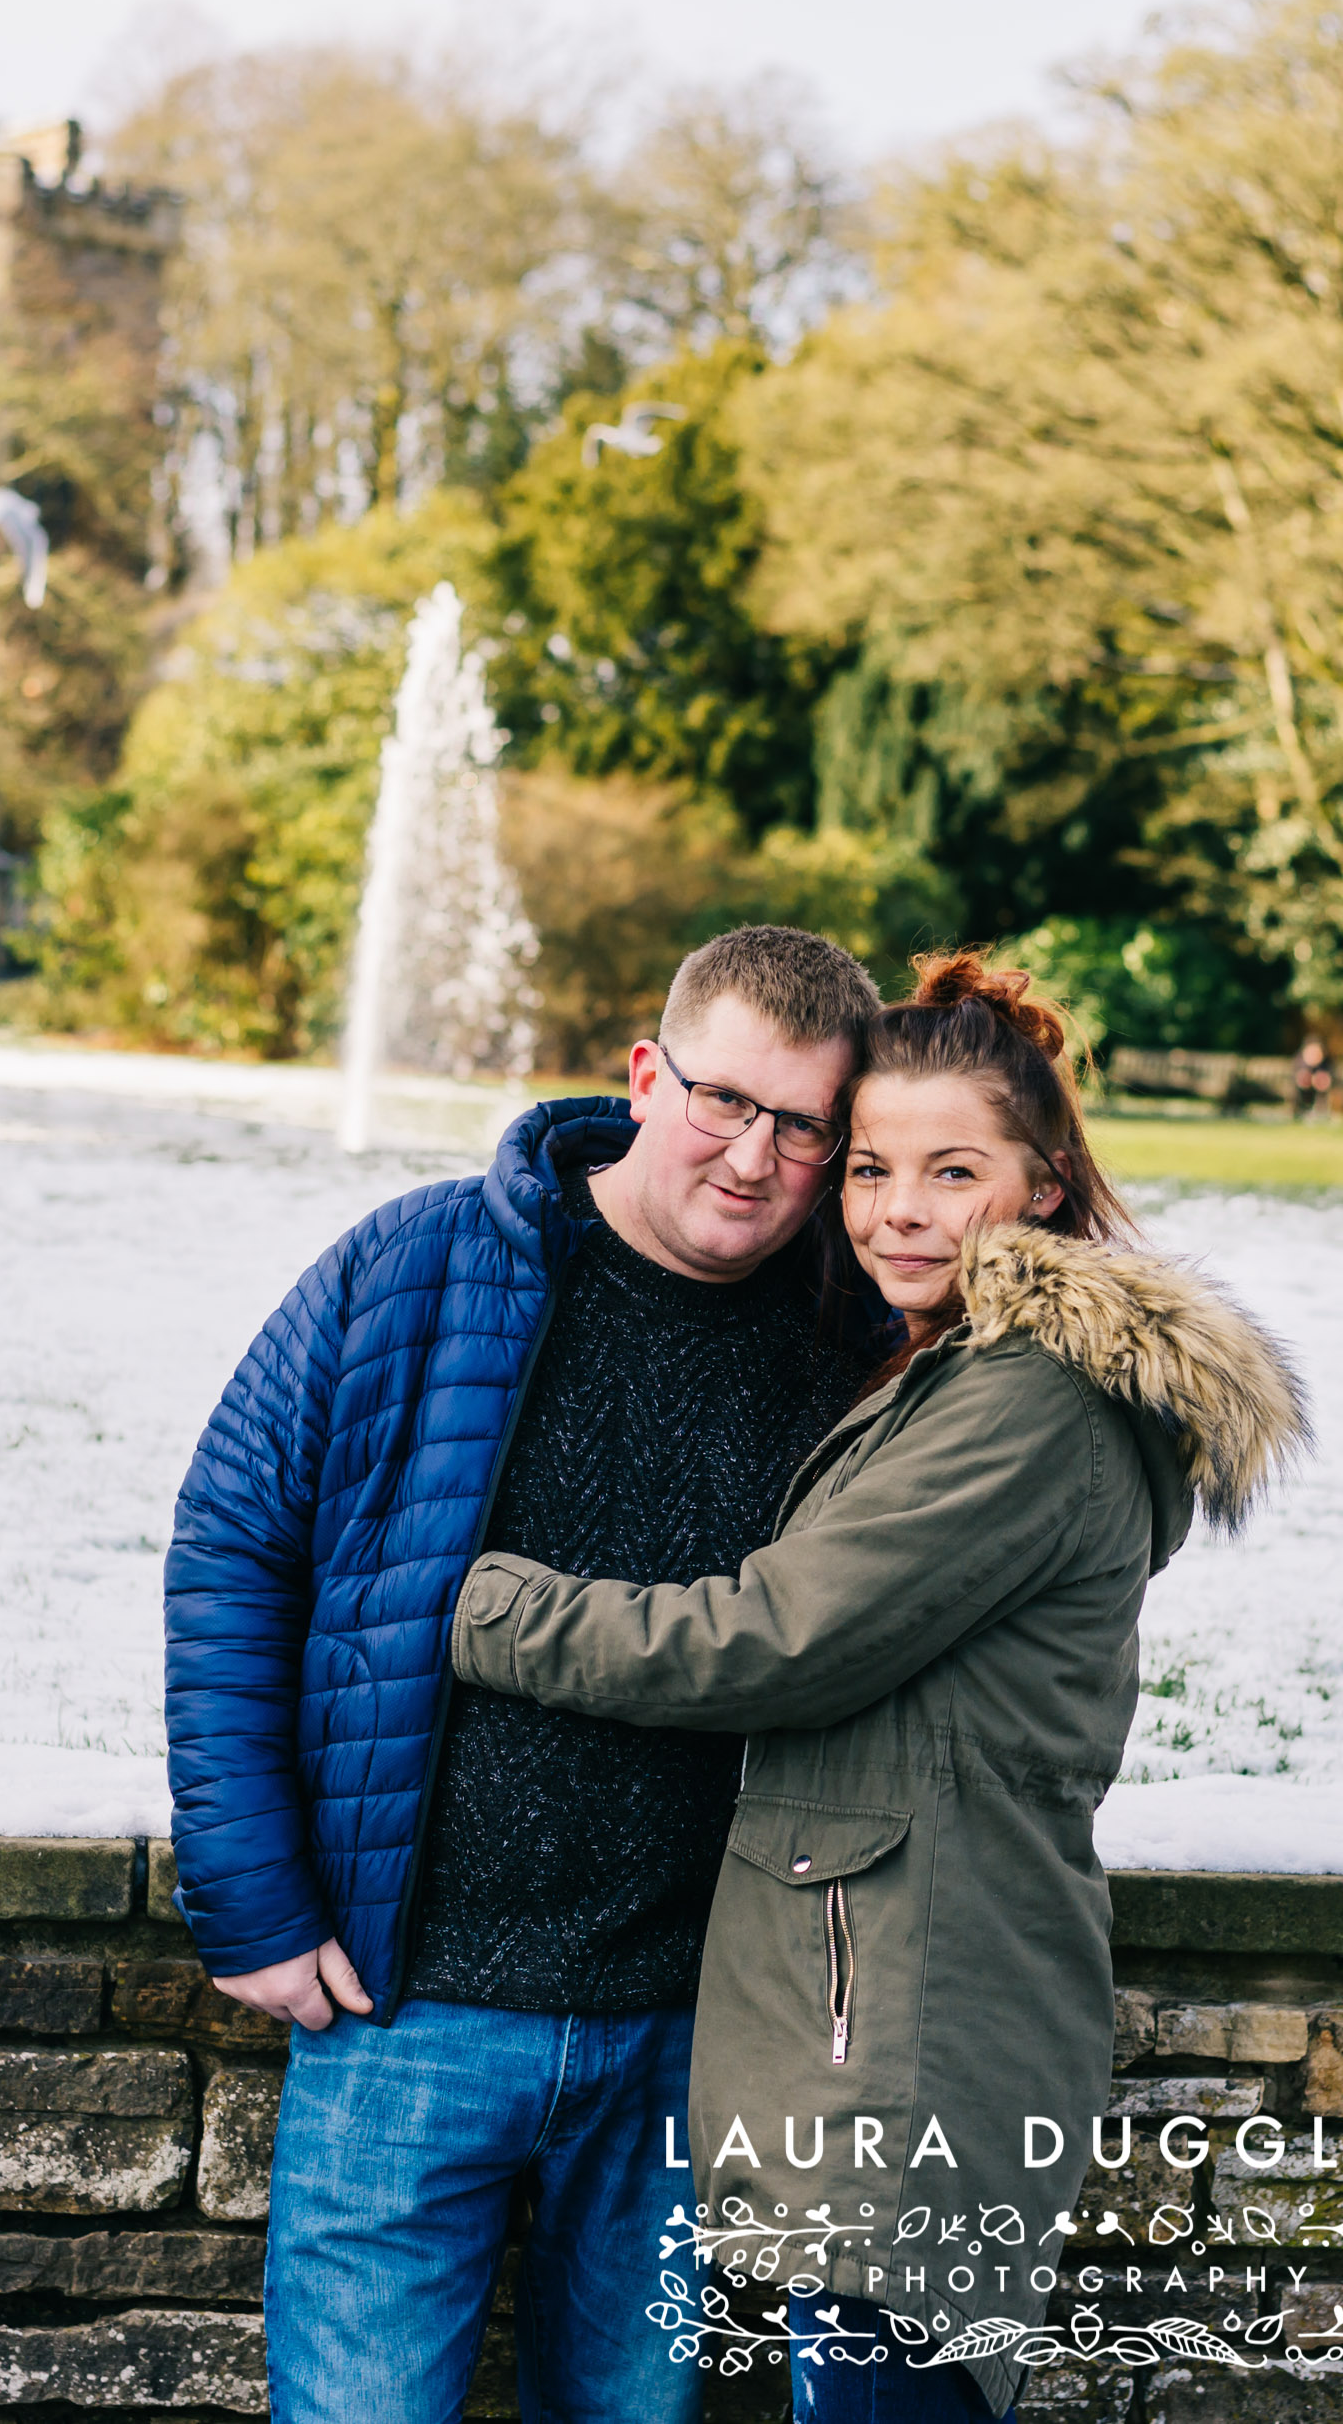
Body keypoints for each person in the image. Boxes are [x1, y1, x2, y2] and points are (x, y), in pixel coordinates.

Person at [451, 951, 1309, 2424]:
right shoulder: (952, 1367)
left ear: (1041, 1184)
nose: (896, 1210)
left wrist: (479, 1605)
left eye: (950, 1170)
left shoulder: (1028, 1400)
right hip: (867, 2010)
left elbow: (773, 1638)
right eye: (868, 1168)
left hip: (911, 2030)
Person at [162, 924, 884, 2424]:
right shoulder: (417, 1265)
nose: (753, 1158)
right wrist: (253, 1898)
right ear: (643, 1075)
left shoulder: (859, 1337)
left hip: (692, 2033)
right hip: (400, 2009)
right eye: (723, 1100)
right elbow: (233, 1549)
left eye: (804, 1124)